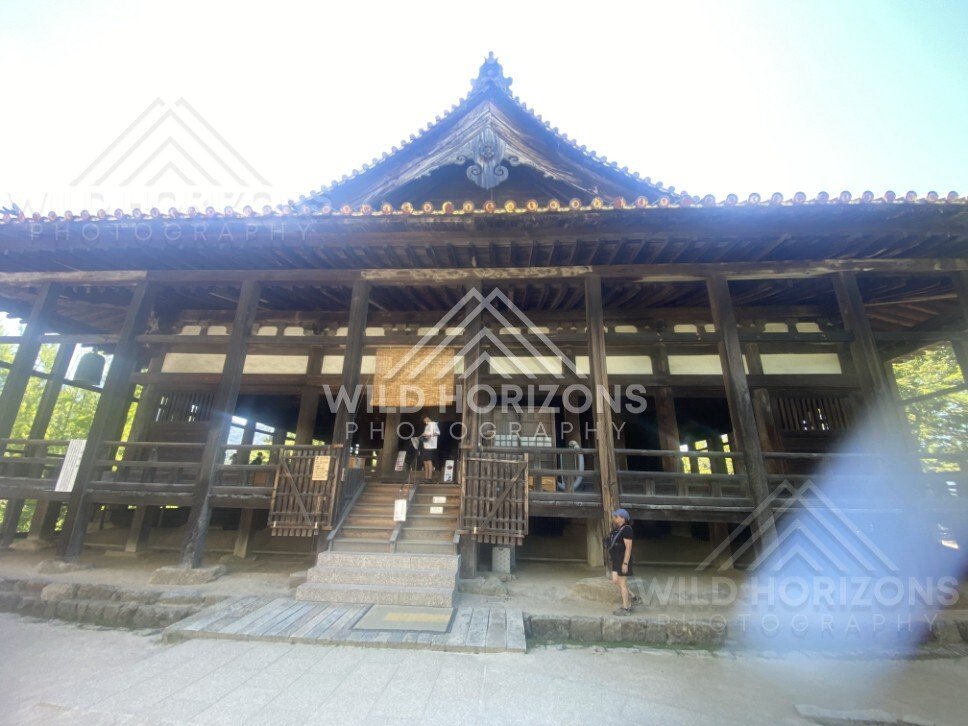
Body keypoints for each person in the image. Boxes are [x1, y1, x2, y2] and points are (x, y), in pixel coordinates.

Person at [606, 509, 635, 616]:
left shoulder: (627, 529)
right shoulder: (618, 529)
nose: (614, 518)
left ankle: (625, 608)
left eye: (616, 516)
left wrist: (625, 563)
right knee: (615, 580)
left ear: (623, 518)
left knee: (622, 583)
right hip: (616, 558)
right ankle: (632, 596)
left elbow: (628, 547)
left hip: (623, 559)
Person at [419, 415, 440, 481]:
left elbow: (438, 433)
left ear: (427, 418)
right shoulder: (427, 426)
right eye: (424, 421)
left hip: (431, 445)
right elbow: (424, 434)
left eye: (425, 420)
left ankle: (429, 478)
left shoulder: (434, 424)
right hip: (425, 444)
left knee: (429, 461)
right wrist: (419, 437)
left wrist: (430, 435)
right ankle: (426, 477)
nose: (425, 421)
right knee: (425, 461)